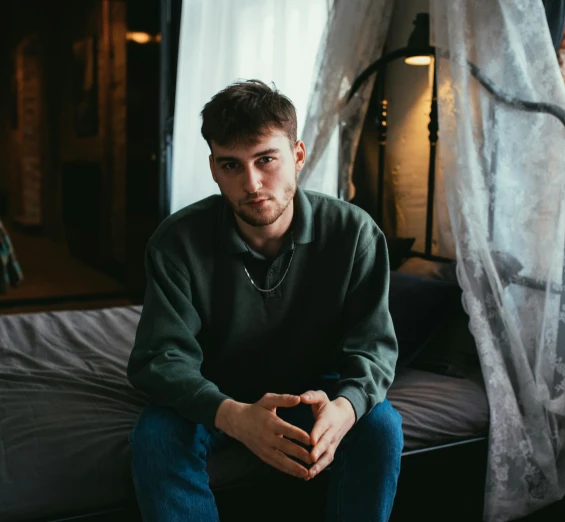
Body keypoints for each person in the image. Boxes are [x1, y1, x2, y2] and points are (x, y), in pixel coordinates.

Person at [127, 79, 402, 522]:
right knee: (155, 436)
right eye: (231, 165)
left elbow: (373, 348)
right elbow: (159, 358)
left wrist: (346, 408)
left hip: (318, 389)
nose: (251, 183)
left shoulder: (356, 234)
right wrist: (232, 416)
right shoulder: (175, 242)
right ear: (214, 168)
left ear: (297, 155)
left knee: (382, 425)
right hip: (217, 390)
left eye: (266, 160)